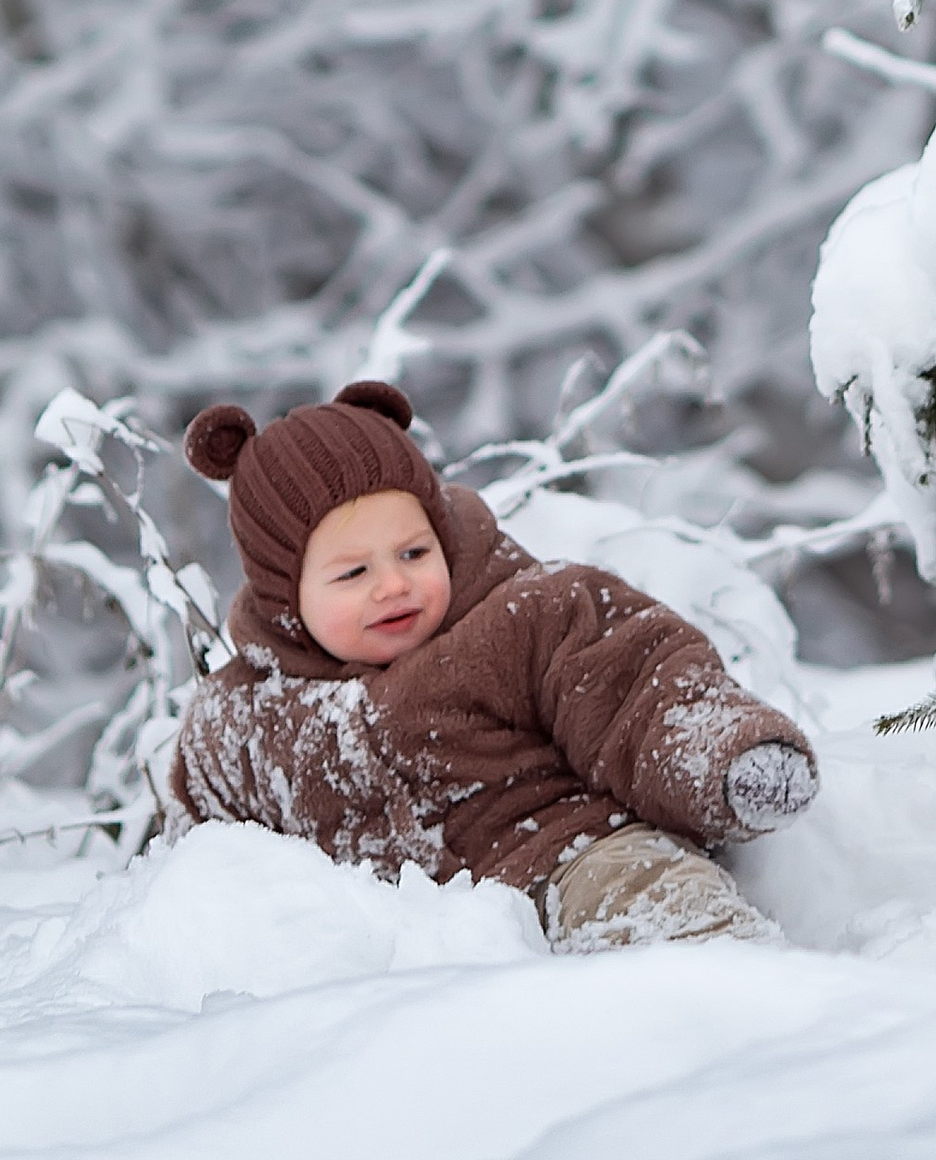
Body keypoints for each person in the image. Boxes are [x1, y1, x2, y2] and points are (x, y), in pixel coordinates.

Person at [163, 380, 818, 948]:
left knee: (644, 892)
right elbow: (204, 844)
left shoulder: (524, 616)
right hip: (395, 944)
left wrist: (723, 755)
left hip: (567, 856)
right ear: (286, 599)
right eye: (354, 572)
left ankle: (739, 1002)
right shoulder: (246, 720)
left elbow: (639, 682)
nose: (393, 584)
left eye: (415, 554)